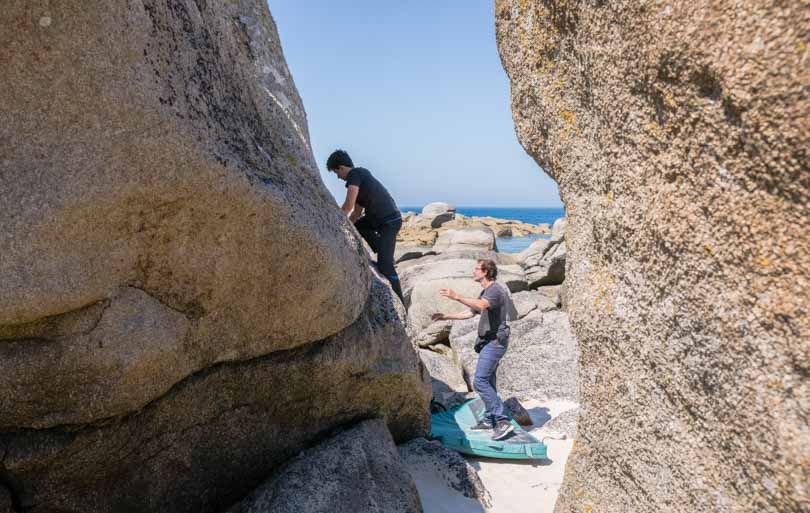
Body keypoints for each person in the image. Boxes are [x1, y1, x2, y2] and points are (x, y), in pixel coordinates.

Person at [431, 259, 514, 441]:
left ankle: (501, 421)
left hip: (495, 342)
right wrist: (445, 316)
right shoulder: (486, 291)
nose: (474, 271)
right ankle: (490, 418)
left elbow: (482, 306)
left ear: (485, 272)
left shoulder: (495, 290)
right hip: (489, 342)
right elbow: (471, 312)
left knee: (480, 382)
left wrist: (456, 296)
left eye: (477, 269)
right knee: (489, 382)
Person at [326, 149, 404, 301]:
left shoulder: (355, 175)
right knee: (359, 226)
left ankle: (400, 301)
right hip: (379, 220)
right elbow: (356, 213)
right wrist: (347, 228)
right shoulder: (362, 176)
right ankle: (381, 249)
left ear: (341, 167)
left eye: (336, 173)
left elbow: (348, 206)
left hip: (389, 221)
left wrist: (336, 224)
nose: (338, 177)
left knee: (385, 266)